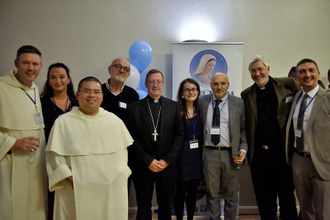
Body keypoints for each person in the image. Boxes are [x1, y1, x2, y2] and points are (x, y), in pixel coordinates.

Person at [46, 76, 133, 220]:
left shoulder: (114, 122)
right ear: (78, 95)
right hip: (74, 190)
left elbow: (122, 158)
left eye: (96, 92)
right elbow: (55, 159)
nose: (92, 95)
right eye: (87, 91)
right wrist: (73, 180)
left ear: (102, 96)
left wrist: (113, 178)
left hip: (108, 190)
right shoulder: (63, 122)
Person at [241, 55, 300, 220]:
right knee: (264, 199)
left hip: (283, 154)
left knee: (287, 197)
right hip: (259, 156)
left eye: (260, 69)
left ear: (268, 69)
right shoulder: (246, 94)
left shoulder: (289, 85)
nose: (257, 73)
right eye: (253, 71)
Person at [127, 69, 184, 220]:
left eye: (158, 81)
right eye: (151, 81)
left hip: (167, 167)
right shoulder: (134, 108)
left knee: (165, 207)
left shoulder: (174, 107)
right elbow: (131, 139)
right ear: (145, 84)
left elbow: (179, 135)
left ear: (163, 84)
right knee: (143, 206)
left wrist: (166, 161)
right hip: (142, 166)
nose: (155, 85)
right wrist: (148, 161)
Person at [0, 45, 47, 220]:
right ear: (16, 63)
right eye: (25, 63)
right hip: (10, 162)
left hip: (35, 163)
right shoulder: (2, 87)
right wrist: (13, 143)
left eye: (35, 64)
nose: (30, 68)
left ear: (40, 66)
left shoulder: (34, 88)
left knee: (35, 208)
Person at [285, 58, 330, 219]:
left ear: (318, 73)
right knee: (305, 209)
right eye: (302, 72)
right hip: (299, 161)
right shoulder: (296, 98)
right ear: (296, 77)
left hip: (323, 164)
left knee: (324, 212)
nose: (307, 75)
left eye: (311, 70)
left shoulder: (328, 98)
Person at [199, 72, 247, 219]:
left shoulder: (238, 102)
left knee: (231, 196)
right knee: (212, 194)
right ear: (210, 85)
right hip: (209, 153)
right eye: (215, 83)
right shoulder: (202, 101)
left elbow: (244, 128)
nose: (219, 87)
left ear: (228, 85)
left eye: (222, 83)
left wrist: (243, 149)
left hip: (231, 154)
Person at [40, 62, 78, 220]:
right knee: (53, 194)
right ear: (48, 81)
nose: (58, 81)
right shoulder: (41, 104)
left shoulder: (78, 103)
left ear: (68, 79)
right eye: (53, 78)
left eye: (62, 77)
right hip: (52, 155)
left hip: (75, 156)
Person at [174, 78, 203, 220]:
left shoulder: (201, 109)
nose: (191, 92)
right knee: (180, 191)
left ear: (198, 91)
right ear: (182, 93)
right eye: (187, 89)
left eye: (193, 89)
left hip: (197, 155)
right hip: (181, 154)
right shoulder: (176, 110)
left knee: (193, 192)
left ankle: (190, 218)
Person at [101, 57, 139, 123]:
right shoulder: (98, 91)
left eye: (126, 69)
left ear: (128, 75)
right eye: (118, 66)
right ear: (109, 69)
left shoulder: (133, 95)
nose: (121, 71)